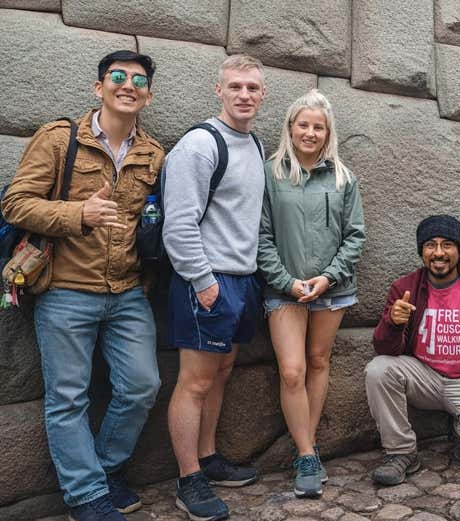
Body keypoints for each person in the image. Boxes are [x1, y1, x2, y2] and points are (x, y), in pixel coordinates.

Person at [1, 50, 163, 521]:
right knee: (67, 398)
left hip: (129, 293)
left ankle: (107, 469)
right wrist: (77, 214)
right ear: (99, 88)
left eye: (137, 80)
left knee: (142, 386)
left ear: (147, 95)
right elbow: (15, 203)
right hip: (65, 291)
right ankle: (87, 495)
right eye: (117, 76)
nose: (127, 84)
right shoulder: (59, 139)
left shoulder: (153, 154)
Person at [163, 54, 267, 521]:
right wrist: (204, 285)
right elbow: (178, 225)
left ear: (262, 94)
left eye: (252, 88)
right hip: (207, 280)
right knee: (195, 381)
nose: (244, 95)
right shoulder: (199, 146)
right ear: (218, 91)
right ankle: (189, 481)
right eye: (235, 87)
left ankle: (208, 458)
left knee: (221, 373)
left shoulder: (255, 144)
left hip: (242, 280)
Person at [257, 89, 365, 499]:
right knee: (292, 370)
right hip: (284, 288)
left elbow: (355, 236)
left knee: (319, 362)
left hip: (331, 289)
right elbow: (261, 236)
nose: (310, 132)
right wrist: (286, 281)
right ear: (290, 127)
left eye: (318, 127)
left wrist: (328, 277)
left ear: (328, 132)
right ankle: (306, 452)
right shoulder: (270, 173)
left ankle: (306, 449)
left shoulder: (343, 177)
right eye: (303, 125)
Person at [366, 215, 460, 486]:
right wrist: (392, 323)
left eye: (447, 245)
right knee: (378, 369)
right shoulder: (404, 289)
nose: (438, 253)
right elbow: (385, 349)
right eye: (430, 245)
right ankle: (401, 453)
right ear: (421, 251)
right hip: (425, 377)